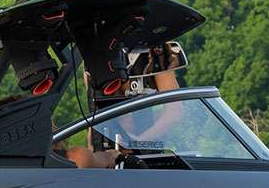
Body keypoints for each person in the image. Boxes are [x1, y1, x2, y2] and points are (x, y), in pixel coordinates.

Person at [59, 40, 189, 168]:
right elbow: (94, 113)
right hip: (104, 158)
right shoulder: (91, 55)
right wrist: (93, 153)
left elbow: (174, 111)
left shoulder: (149, 49)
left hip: (142, 159)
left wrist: (139, 140)